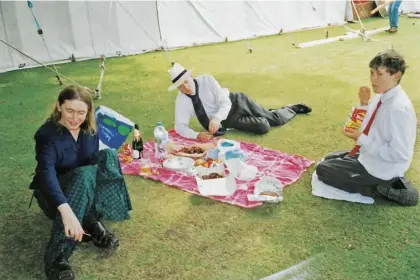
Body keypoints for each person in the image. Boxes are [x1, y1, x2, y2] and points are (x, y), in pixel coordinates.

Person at [29, 85, 132, 280]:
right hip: (54, 198)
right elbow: (46, 173)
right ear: (59, 106)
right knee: (84, 174)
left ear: (88, 112)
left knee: (108, 156)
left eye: (81, 113)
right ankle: (57, 258)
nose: (75, 118)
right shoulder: (47, 135)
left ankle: (91, 222)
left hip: (80, 190)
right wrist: (66, 211)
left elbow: (93, 163)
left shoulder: (90, 130)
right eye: (69, 110)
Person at [316, 50, 418, 206]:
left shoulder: (397, 108)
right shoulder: (381, 95)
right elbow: (369, 125)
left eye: (379, 74)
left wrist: (361, 138)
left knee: (323, 170)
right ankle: (374, 178)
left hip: (382, 167)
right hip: (370, 155)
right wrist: (364, 104)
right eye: (371, 73)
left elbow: (399, 154)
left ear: (396, 75)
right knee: (329, 158)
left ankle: (379, 187)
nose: (373, 79)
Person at [167, 63, 311, 142]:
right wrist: (196, 135)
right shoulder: (181, 100)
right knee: (263, 127)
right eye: (180, 86)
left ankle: (291, 108)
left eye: (186, 82)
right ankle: (266, 113)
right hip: (230, 121)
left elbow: (224, 102)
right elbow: (180, 126)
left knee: (276, 120)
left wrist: (216, 118)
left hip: (236, 102)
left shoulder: (207, 80)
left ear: (191, 76)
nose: (185, 87)